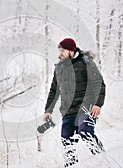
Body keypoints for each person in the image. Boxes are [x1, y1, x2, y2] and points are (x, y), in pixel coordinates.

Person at [43, 37, 106, 167]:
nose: (60, 53)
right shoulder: (59, 68)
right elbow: (54, 91)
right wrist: (48, 110)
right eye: (60, 50)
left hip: (86, 106)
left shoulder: (85, 63)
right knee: (66, 140)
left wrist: (98, 104)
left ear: (71, 51)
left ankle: (103, 158)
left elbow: (99, 84)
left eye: (63, 50)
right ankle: (71, 166)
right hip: (68, 110)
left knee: (85, 131)